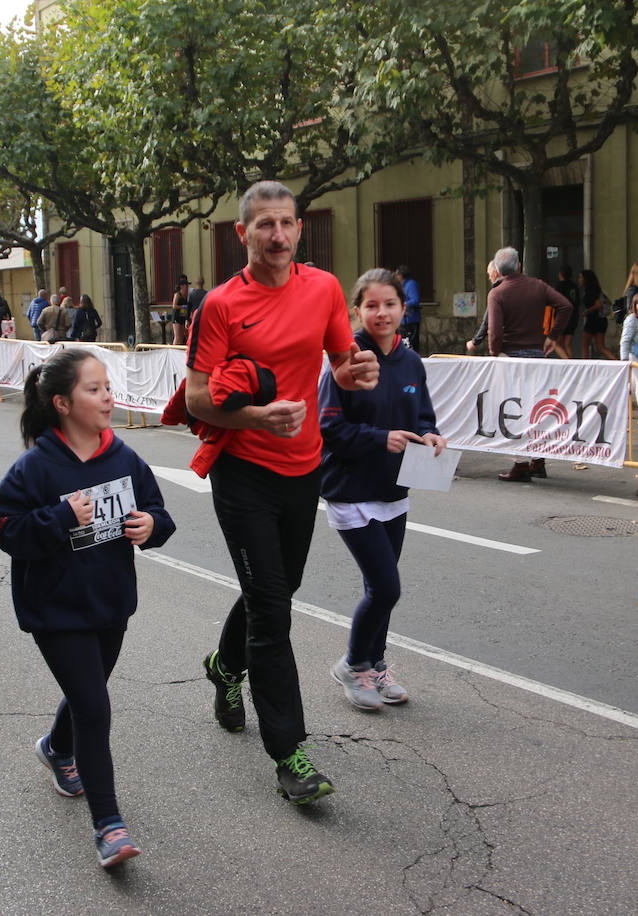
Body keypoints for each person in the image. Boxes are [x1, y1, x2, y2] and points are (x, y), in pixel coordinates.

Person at [187, 180, 379, 805]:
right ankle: (290, 753)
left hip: (304, 467)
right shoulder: (218, 306)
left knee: (275, 590)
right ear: (241, 234)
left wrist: (356, 373)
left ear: (300, 229)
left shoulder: (322, 288)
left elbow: (340, 360)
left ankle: (223, 666)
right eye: (264, 224)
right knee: (272, 609)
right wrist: (253, 419)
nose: (278, 235)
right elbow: (195, 398)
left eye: (287, 223)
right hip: (242, 471)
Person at [0, 349, 175, 868]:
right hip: (55, 610)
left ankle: (55, 747)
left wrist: (152, 527)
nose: (108, 396)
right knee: (94, 706)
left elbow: (160, 513)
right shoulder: (36, 466)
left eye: (108, 386)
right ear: (64, 403)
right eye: (94, 389)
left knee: (87, 695)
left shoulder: (126, 459)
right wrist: (59, 517)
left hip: (110, 603)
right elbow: (5, 527)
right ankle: (109, 825)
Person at [319, 268, 445, 710]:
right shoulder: (345, 357)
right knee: (385, 588)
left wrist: (431, 436)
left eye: (390, 304)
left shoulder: (411, 362)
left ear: (403, 308)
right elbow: (328, 427)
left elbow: (422, 417)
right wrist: (379, 438)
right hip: (350, 490)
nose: (381, 312)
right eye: (371, 305)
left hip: (394, 489)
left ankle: (375, 663)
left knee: (382, 588)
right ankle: (353, 665)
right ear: (357, 310)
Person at [487, 246, 574, 482]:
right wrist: (553, 336)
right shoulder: (538, 285)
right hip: (536, 355)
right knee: (536, 408)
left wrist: (495, 352)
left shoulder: (498, 293)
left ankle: (520, 464)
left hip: (510, 358)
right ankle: (539, 460)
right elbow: (566, 306)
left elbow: (494, 332)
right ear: (518, 265)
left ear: (498, 269)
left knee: (513, 409)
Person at [464, 261, 502, 353]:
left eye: (489, 274)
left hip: (506, 345)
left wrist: (475, 342)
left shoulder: (496, 292)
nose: (489, 278)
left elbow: (487, 321)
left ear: (495, 273)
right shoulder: (521, 286)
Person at [578, 269, 616, 359]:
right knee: (600, 347)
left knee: (585, 344)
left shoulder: (590, 291)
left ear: (586, 279)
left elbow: (598, 304)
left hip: (593, 320)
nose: (579, 280)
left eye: (581, 277)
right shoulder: (597, 289)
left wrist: (587, 311)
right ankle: (616, 361)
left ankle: (585, 365)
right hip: (601, 320)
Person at [549, 266, 580, 359]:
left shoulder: (559, 286)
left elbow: (554, 302)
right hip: (573, 317)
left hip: (562, 317)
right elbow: (578, 302)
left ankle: (568, 362)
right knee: (567, 344)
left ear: (561, 274)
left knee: (556, 343)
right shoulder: (574, 286)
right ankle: (572, 363)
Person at [394, 265, 422, 353]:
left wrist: (402, 304)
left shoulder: (411, 284)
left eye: (397, 274)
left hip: (411, 320)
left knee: (411, 343)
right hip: (404, 320)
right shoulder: (402, 285)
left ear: (401, 275)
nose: (396, 276)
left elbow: (415, 300)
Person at [171, 276, 191, 345]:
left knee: (182, 336)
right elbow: (174, 306)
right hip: (176, 316)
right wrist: (181, 307)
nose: (187, 287)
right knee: (177, 336)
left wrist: (186, 318)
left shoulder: (186, 295)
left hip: (182, 315)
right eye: (186, 286)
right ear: (182, 286)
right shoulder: (177, 294)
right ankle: (173, 351)